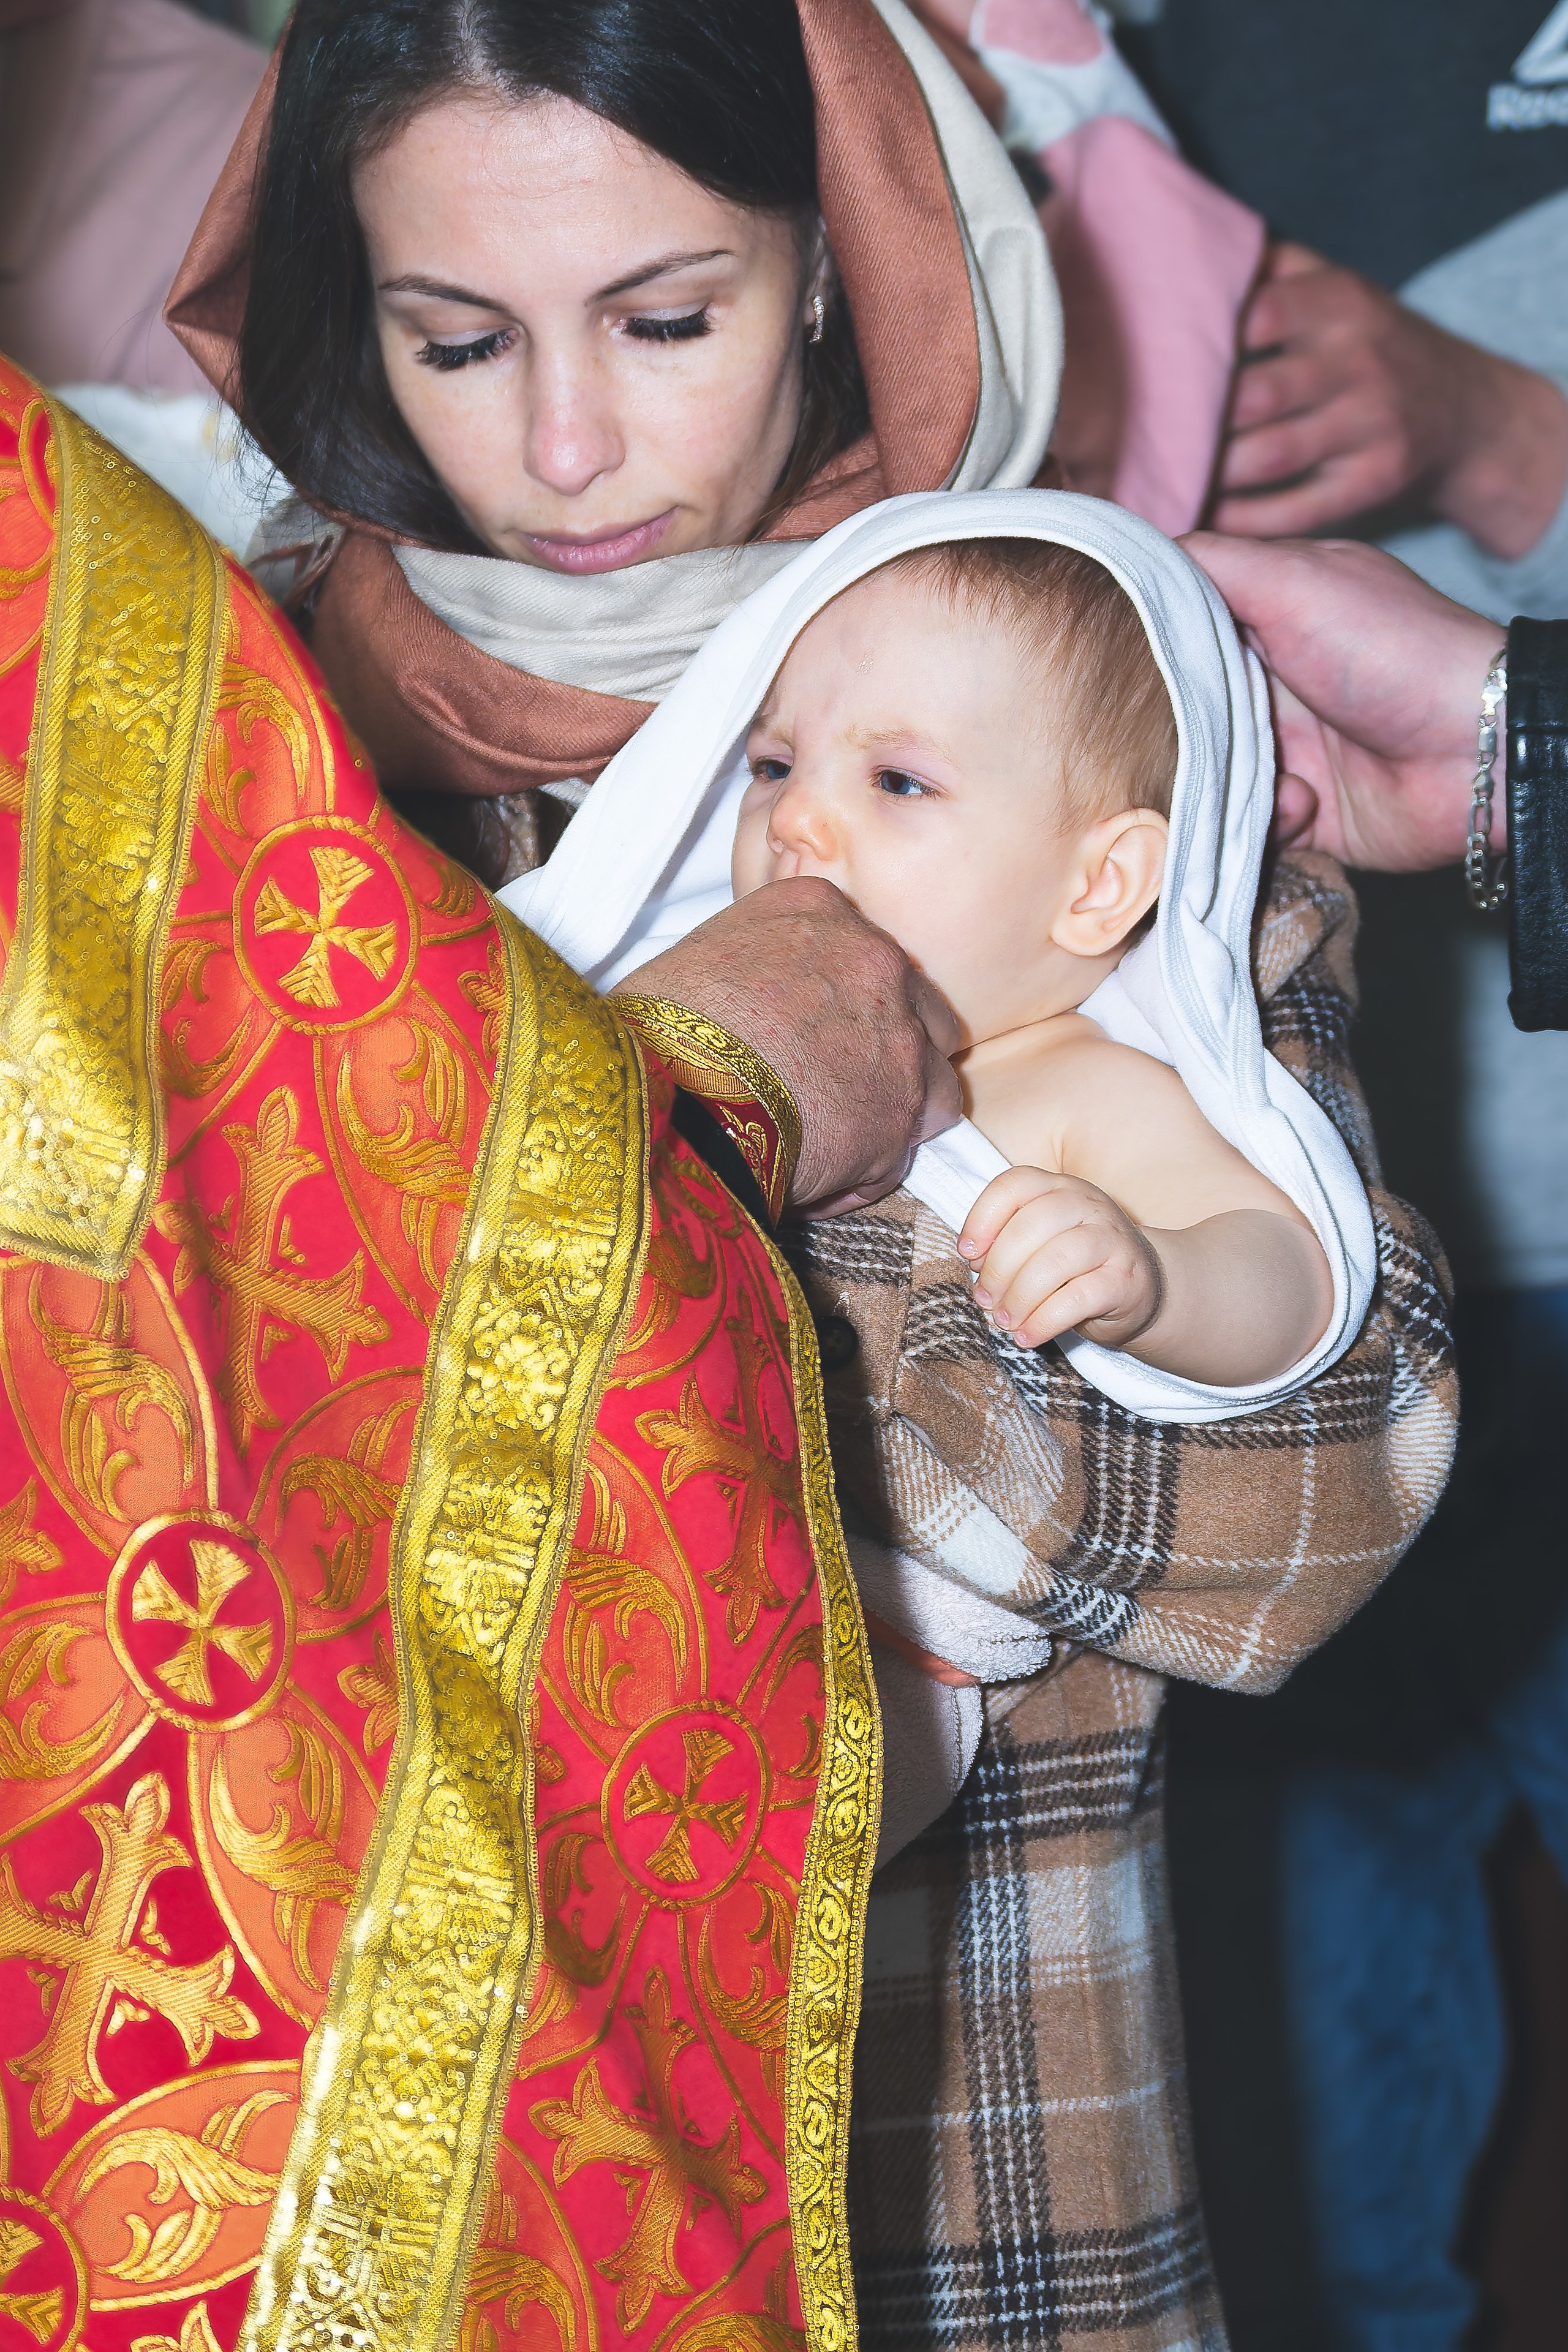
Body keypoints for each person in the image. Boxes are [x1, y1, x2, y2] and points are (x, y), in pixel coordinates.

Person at [0, 353, 961, 2352]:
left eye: (668, 317)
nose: (566, 441)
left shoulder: (1010, 670)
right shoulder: (282, 677)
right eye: (453, 336)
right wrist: (686, 1100)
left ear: (821, 304)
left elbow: (1311, 1488)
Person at [497, 486, 1453, 2352]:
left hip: (914, 1665)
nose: (803, 821)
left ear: (1098, 887)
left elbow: (1294, 1285)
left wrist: (1152, 1277)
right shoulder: (657, 982)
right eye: (776, 763)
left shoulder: (1088, 1078)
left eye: (899, 785)